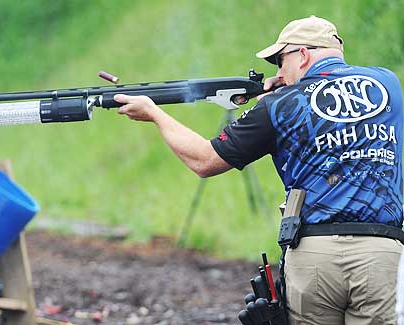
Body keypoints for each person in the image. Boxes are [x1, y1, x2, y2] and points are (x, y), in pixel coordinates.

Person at [114, 15, 404, 324]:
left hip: (314, 255)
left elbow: (204, 160)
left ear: (303, 55)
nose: (278, 72)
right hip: (382, 252)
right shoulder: (387, 83)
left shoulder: (278, 106)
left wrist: (155, 114)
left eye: (280, 61)